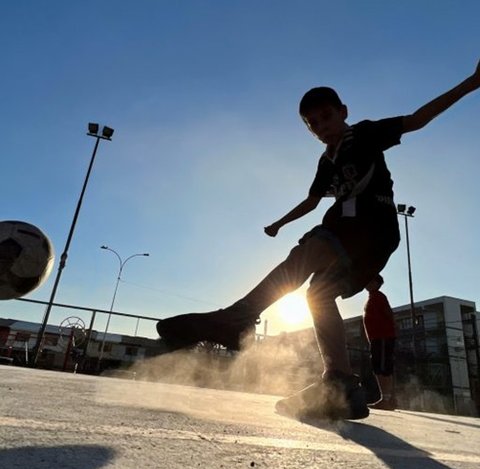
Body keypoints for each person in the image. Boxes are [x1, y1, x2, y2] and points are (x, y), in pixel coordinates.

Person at [157, 60, 480, 420]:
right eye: (313, 125)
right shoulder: (326, 162)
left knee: (315, 245)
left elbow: (417, 119)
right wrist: (279, 223)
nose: (322, 128)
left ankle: (238, 318)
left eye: (327, 118)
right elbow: (312, 200)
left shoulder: (366, 134)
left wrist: (471, 82)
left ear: (343, 112)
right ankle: (340, 381)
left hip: (372, 222)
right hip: (363, 241)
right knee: (317, 295)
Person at [363, 274, 396, 410]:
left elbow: (388, 313)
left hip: (382, 337)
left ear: (377, 283)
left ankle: (386, 400)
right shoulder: (372, 297)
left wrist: (390, 331)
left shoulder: (379, 297)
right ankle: (387, 399)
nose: (367, 283)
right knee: (379, 367)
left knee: (383, 368)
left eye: (370, 281)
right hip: (377, 338)